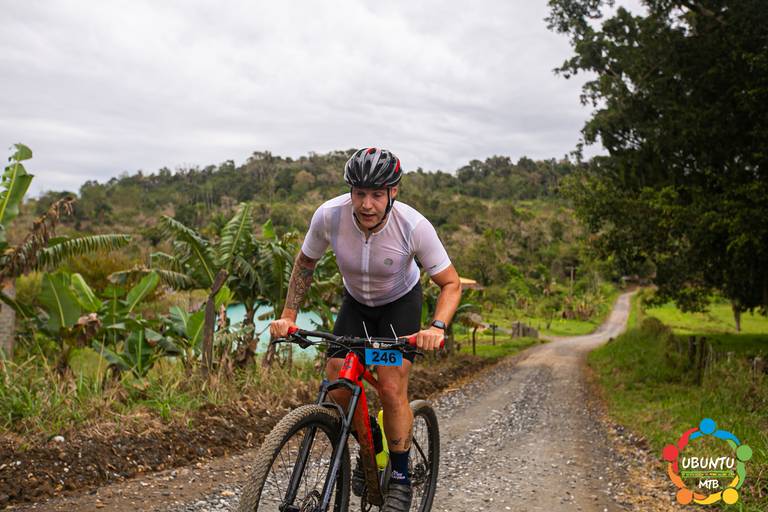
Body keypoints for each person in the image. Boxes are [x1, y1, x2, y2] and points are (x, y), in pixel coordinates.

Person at [269, 147, 461, 511]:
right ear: (350, 192)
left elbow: (451, 284)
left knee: (390, 385)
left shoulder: (413, 226)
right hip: (356, 304)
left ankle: (400, 478)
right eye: (359, 193)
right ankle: (370, 440)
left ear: (393, 192)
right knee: (337, 386)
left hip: (399, 306)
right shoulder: (329, 216)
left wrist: (437, 327)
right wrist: (289, 315)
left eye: (376, 194)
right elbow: (305, 262)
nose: (367, 204)